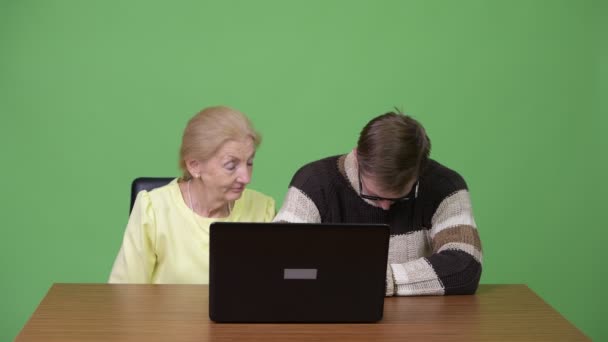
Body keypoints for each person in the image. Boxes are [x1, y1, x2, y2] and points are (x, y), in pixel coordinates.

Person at [274, 110, 482, 296]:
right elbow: (278, 262)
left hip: (417, 324)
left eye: (400, 197)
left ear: (421, 170)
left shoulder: (445, 186)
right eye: (374, 195)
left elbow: (465, 266)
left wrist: (372, 280)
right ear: (357, 158)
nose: (385, 207)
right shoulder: (314, 182)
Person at [109, 106, 275, 284]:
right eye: (231, 165)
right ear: (194, 166)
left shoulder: (263, 210)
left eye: (249, 162)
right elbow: (124, 293)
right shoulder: (154, 210)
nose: (246, 177)